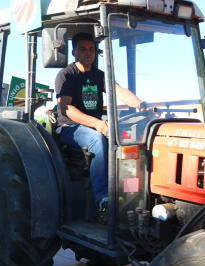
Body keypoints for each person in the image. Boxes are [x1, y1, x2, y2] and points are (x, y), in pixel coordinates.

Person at [55, 32, 143, 212]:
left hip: (94, 124)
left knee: (132, 136)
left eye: (91, 49)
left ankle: (132, 194)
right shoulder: (66, 75)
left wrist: (143, 106)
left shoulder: (100, 75)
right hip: (69, 127)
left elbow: (118, 91)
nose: (88, 53)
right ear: (74, 52)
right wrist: (97, 124)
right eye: (83, 49)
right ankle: (103, 199)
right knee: (96, 138)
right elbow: (66, 108)